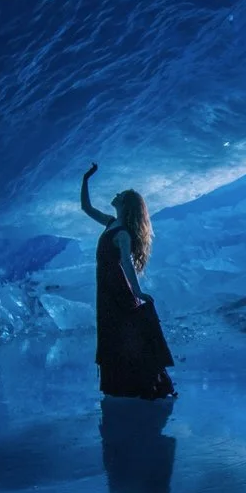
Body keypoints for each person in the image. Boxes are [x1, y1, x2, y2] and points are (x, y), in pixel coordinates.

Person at [79, 163, 176, 400]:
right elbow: (86, 208)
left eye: (119, 195)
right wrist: (85, 180)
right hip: (106, 288)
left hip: (116, 289)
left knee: (123, 333)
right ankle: (121, 384)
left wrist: (138, 292)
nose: (115, 196)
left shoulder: (122, 233)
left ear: (125, 204)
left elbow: (126, 264)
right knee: (112, 332)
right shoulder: (111, 222)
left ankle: (140, 383)